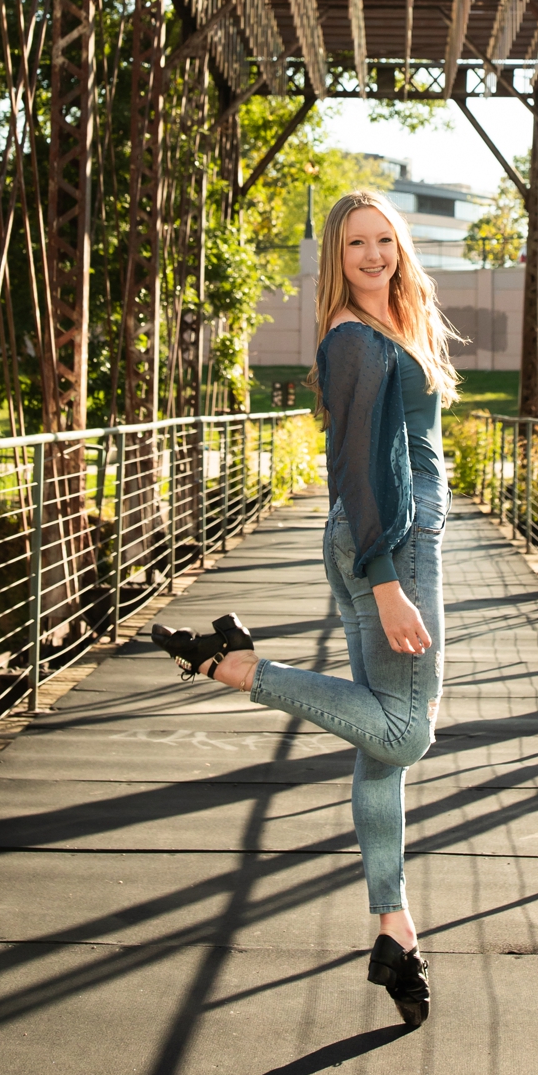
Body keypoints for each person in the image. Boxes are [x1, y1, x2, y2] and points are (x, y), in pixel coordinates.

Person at [151, 189, 459, 1028]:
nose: (373, 255)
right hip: (386, 545)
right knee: (406, 729)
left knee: (385, 740)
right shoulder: (353, 338)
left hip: (394, 540)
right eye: (356, 243)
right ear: (337, 256)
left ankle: (395, 930)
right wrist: (388, 579)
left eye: (384, 239)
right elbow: (357, 466)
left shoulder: (393, 325)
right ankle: (240, 666)